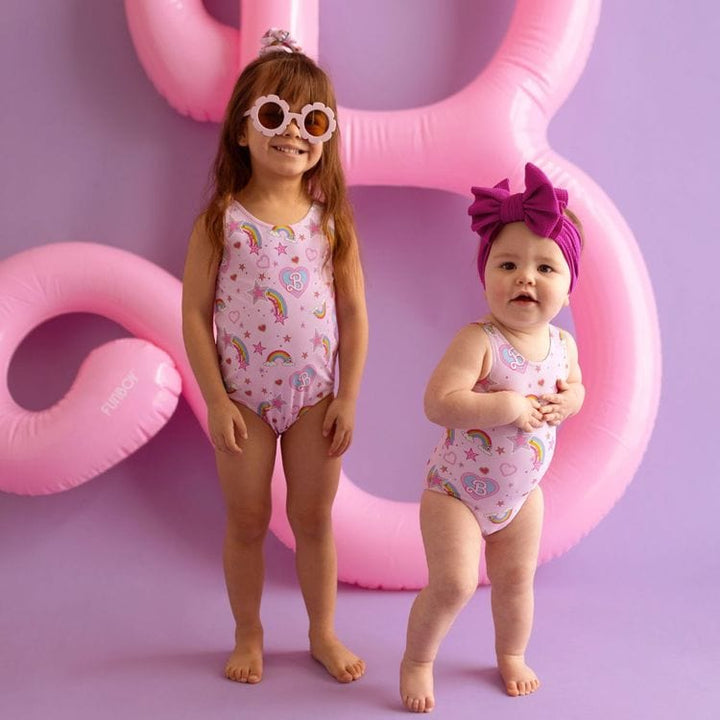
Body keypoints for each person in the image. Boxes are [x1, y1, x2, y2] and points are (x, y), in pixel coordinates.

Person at [182, 29, 368, 685]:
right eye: (273, 114)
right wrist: (215, 399)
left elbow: (353, 314)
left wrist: (348, 396)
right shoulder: (221, 220)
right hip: (244, 400)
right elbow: (194, 314)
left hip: (316, 398)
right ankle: (249, 633)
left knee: (314, 520)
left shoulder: (331, 221)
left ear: (326, 136)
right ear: (242, 128)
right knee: (248, 520)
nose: (292, 131)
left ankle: (323, 632)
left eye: (311, 120)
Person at [400, 163, 585, 710]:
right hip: (455, 493)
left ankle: (511, 654)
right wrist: (504, 406)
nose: (525, 277)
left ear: (568, 289)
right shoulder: (479, 340)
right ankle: (418, 661)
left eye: (545, 267)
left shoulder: (563, 346)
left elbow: (576, 387)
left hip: (521, 497)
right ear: (485, 277)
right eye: (508, 264)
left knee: (516, 580)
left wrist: (571, 401)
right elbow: (438, 403)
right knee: (455, 584)